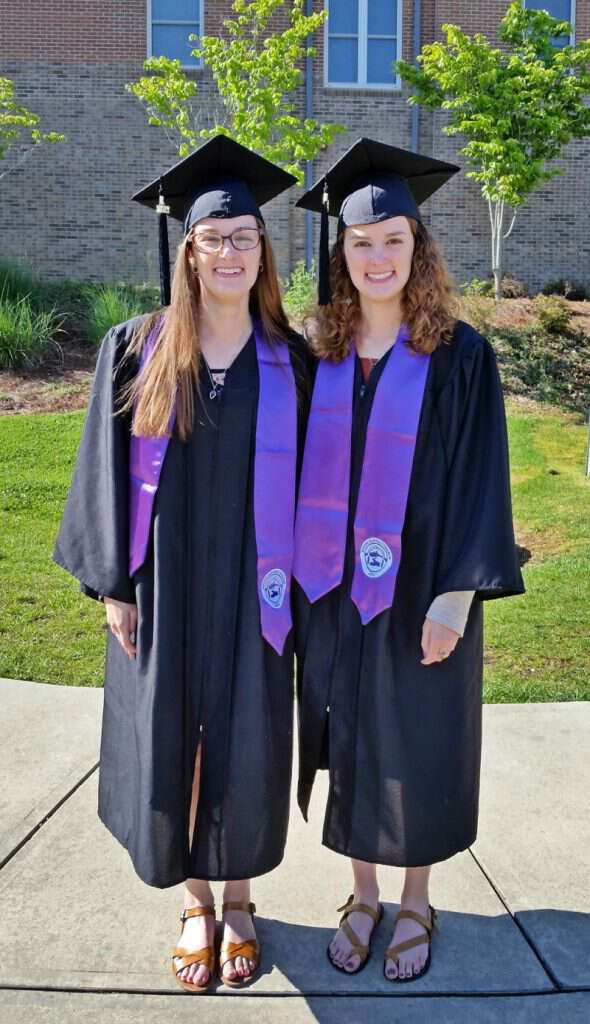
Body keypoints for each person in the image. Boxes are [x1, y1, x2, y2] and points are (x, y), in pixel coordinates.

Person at [53, 135, 309, 993]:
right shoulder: (138, 346)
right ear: (188, 250)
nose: (231, 251)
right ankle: (195, 900)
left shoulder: (293, 359)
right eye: (214, 237)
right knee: (169, 735)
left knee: (247, 735)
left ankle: (240, 898)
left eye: (246, 236)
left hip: (256, 587)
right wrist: (114, 588)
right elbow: (101, 471)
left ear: (262, 251)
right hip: (162, 583)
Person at [292, 138, 525, 983]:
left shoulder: (460, 356)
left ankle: (417, 897)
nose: (378, 256)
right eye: (362, 242)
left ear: (418, 248)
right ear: (340, 253)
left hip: (425, 586)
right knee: (348, 731)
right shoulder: (315, 349)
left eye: (394, 239)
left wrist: (457, 598)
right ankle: (361, 894)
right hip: (330, 590)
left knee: (419, 738)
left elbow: (482, 481)